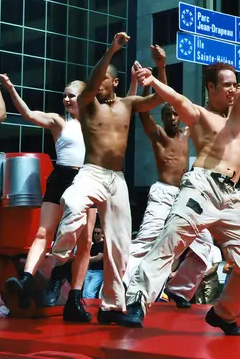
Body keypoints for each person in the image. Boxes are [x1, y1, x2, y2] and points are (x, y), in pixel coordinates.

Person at [124, 20, 240, 336]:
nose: (233, 88)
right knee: (171, 240)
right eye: (226, 84)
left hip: (232, 196)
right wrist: (153, 80)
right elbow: (177, 100)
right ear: (210, 88)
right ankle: (136, 302)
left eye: (234, 84)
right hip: (201, 185)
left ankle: (224, 313)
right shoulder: (200, 115)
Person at [49, 32, 162, 325]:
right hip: (92, 172)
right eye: (94, 81)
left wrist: (161, 67)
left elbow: (159, 98)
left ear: (115, 83)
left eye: (104, 81)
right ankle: (60, 253)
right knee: (72, 201)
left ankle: (111, 308)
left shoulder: (128, 104)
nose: (97, 84)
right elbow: (95, 74)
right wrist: (111, 50)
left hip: (117, 179)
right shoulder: (89, 105)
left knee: (118, 245)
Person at [0, 74, 97, 322]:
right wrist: (11, 89)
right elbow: (29, 115)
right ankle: (26, 279)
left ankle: (74, 297)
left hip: (88, 179)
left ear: (84, 98)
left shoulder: (97, 122)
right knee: (44, 232)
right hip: (61, 177)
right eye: (64, 95)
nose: (65, 99)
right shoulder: (58, 121)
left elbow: (125, 107)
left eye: (71, 95)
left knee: (85, 242)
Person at [124, 45, 214, 309]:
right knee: (144, 243)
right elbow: (142, 110)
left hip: (185, 194)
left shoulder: (187, 134)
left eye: (175, 113)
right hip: (163, 193)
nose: (173, 116)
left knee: (205, 245)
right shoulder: (159, 135)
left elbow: (174, 97)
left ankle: (179, 289)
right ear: (162, 118)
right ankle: (125, 287)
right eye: (168, 114)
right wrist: (146, 84)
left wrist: (161, 66)